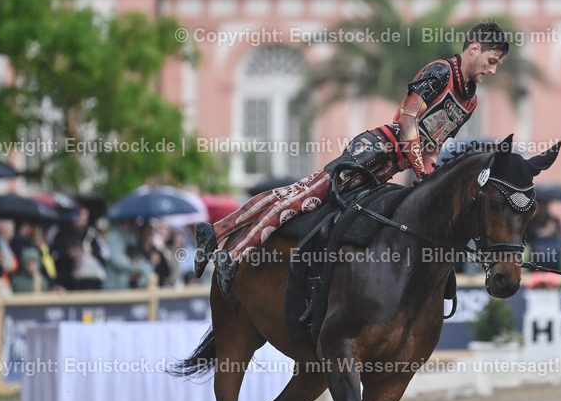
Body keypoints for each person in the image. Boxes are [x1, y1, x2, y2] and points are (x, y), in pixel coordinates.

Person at [196, 21, 510, 297]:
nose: (493, 70)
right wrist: (420, 171)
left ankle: (216, 231)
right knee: (303, 198)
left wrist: (429, 176)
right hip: (374, 149)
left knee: (304, 197)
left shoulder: (470, 101)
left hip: (389, 168)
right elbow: (406, 119)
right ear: (473, 49)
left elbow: (434, 145)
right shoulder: (441, 71)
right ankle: (231, 254)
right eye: (491, 61)